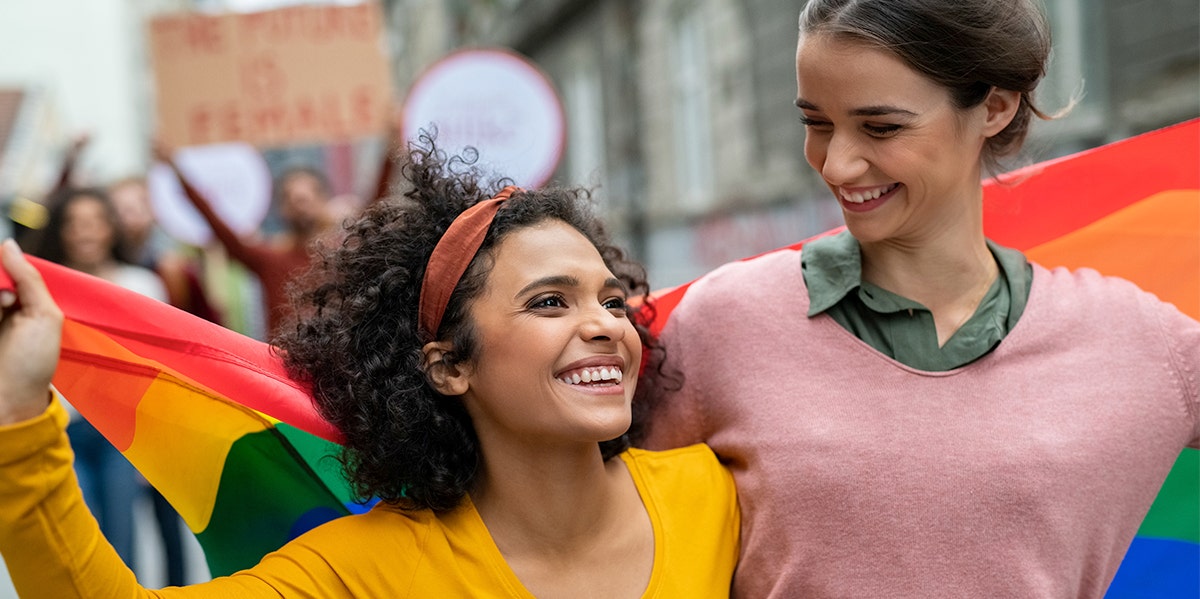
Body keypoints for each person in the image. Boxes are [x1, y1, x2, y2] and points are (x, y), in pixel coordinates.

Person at [0, 138, 739, 597]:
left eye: (613, 301)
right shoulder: (360, 568)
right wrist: (18, 416)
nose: (605, 325)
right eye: (550, 301)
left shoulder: (720, 493)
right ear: (448, 367)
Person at [641, 1, 1199, 597]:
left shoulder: (1139, 342)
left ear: (993, 106)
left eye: (881, 127)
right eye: (816, 122)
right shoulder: (723, 323)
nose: (836, 163)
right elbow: (606, 538)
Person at [26, 186, 170, 575]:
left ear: (111, 228)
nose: (84, 232)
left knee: (122, 547)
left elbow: (161, 372)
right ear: (61, 231)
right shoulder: (42, 291)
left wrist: (155, 450)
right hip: (63, 432)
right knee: (78, 549)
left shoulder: (142, 285)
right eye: (73, 223)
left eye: (94, 222)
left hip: (122, 437)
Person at [153, 143, 338, 337]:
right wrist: (179, 173)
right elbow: (223, 231)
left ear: (325, 199)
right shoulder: (271, 259)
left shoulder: (346, 257)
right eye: (289, 197)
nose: (300, 203)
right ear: (280, 208)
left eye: (308, 196)